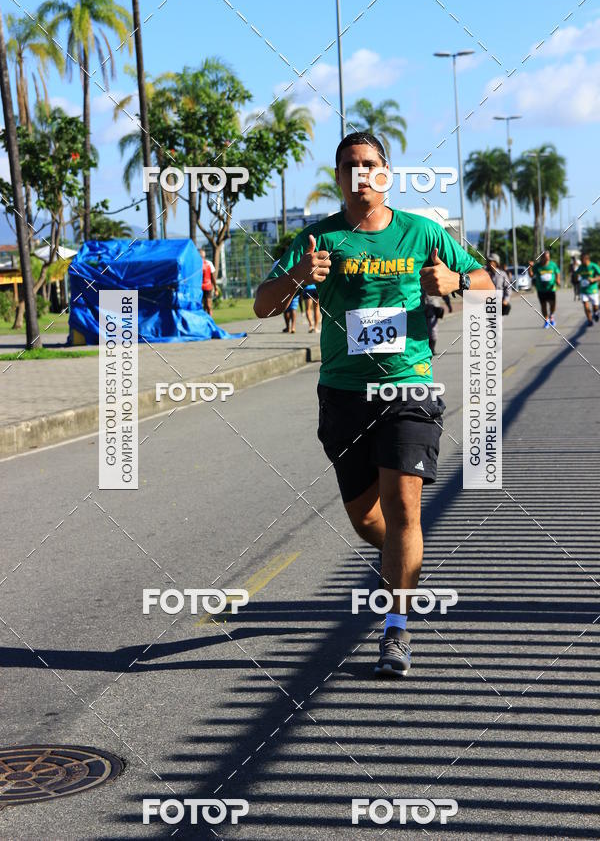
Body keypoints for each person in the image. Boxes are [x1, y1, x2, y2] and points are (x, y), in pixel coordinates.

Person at [254, 132, 493, 677]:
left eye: (370, 165)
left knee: (404, 507)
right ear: (338, 178)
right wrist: (297, 277)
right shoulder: (317, 240)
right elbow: (263, 305)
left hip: (409, 386)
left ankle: (395, 629)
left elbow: (487, 282)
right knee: (367, 518)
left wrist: (455, 280)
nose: (360, 175)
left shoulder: (423, 232)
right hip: (343, 393)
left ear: (386, 173)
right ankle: (403, 561)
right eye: (349, 167)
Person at [529, 250, 560, 327]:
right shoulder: (537, 266)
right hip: (541, 289)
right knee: (543, 305)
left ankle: (551, 316)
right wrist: (530, 267)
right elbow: (531, 275)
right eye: (545, 257)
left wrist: (557, 279)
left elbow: (557, 272)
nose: (547, 259)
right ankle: (546, 320)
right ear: (541, 257)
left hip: (551, 289)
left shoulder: (553, 265)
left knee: (553, 305)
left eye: (548, 257)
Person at [575, 253, 600, 326]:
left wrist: (594, 279)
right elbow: (576, 274)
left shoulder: (593, 266)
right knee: (586, 306)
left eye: (582, 260)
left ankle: (596, 313)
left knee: (595, 307)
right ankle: (589, 321)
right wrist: (577, 278)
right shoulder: (581, 267)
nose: (581, 262)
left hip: (593, 290)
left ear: (586, 259)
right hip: (584, 290)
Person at [200, 247, 217, 316]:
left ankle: (210, 320)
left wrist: (215, 288)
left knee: (208, 305)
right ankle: (205, 320)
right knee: (203, 306)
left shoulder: (209, 263)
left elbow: (213, 277)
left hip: (208, 287)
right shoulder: (196, 264)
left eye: (202, 255)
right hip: (200, 287)